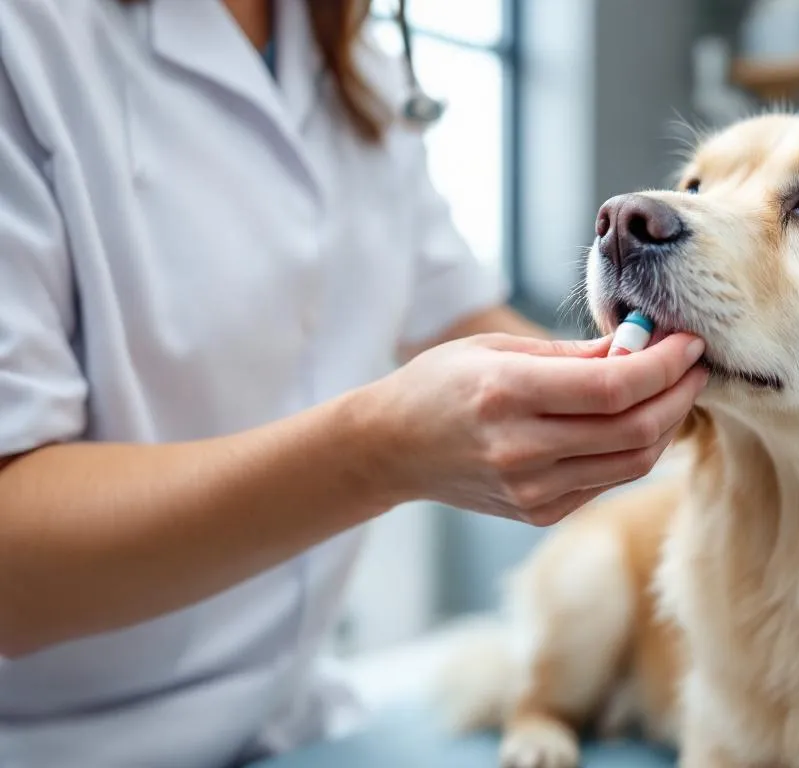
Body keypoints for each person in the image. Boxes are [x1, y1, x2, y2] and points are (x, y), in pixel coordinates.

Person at [0, 1, 707, 766]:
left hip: (291, 717)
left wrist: (658, 398)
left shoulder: (358, 63)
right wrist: (374, 453)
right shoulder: (32, 37)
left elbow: (462, 315)